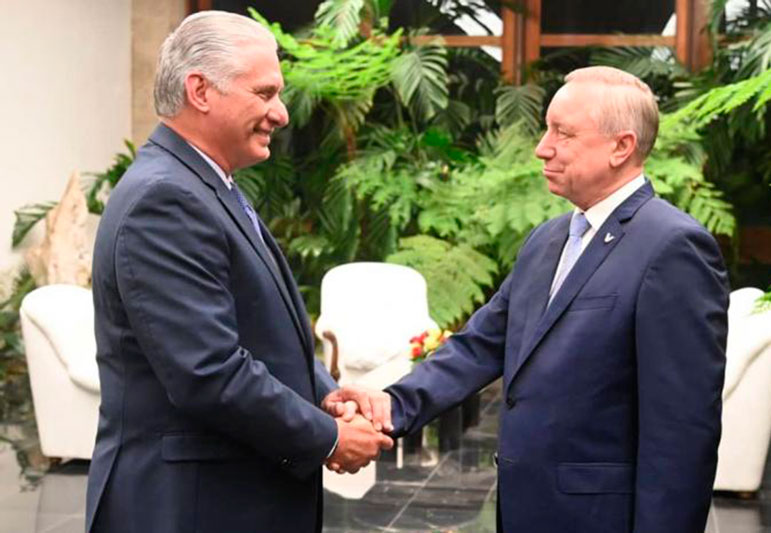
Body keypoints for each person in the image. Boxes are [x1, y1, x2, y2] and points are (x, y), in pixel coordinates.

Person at [384, 66, 729, 533]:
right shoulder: (547, 239)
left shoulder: (672, 248)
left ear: (621, 146)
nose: (542, 147)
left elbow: (682, 433)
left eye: (563, 133)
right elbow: (481, 344)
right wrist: (391, 407)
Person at [86, 11, 392, 533]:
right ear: (200, 90)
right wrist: (330, 437)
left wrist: (325, 393)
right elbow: (208, 371)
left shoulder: (205, 184)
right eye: (265, 93)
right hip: (190, 507)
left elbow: (255, 330)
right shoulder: (165, 200)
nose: (282, 114)